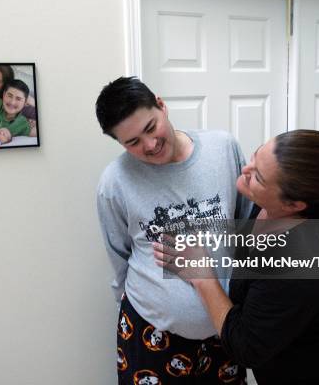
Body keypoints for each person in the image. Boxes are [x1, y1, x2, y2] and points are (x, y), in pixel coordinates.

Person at [154, 130, 319, 384]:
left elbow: (246, 347)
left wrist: (202, 276)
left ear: (295, 205)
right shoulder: (269, 209)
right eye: (255, 156)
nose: (245, 169)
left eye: (257, 176)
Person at [95, 76, 252, 384]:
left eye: (151, 128)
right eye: (133, 143)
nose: (150, 146)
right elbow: (119, 256)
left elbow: (245, 227)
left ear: (162, 106)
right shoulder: (115, 181)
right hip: (152, 333)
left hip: (225, 326)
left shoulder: (223, 148)